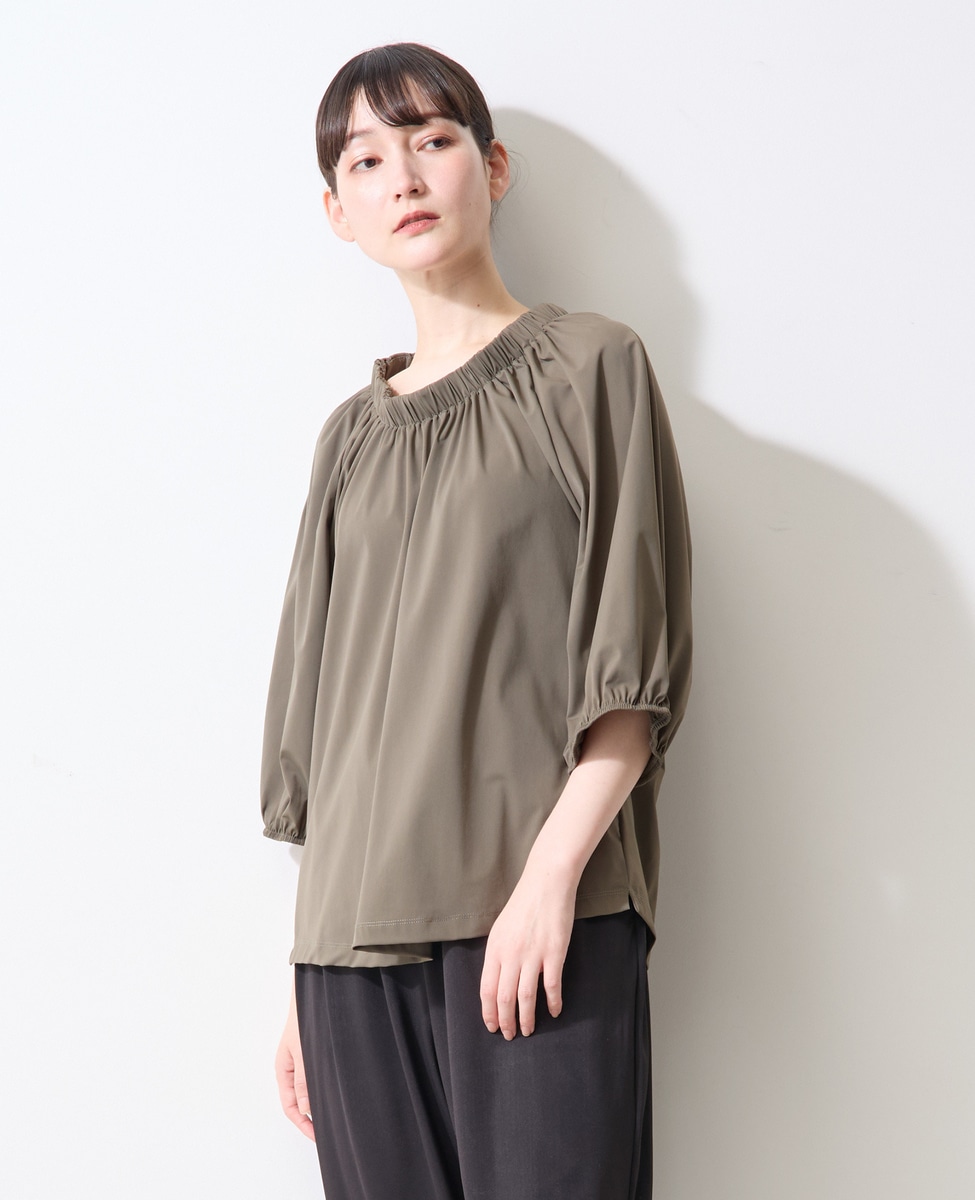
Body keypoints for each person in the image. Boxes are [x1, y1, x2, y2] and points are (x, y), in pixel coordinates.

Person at [260, 41, 693, 1200]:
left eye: (433, 140)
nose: (403, 176)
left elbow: (631, 677)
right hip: (348, 953)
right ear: (337, 210)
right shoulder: (348, 440)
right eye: (366, 159)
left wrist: (550, 884)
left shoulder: (592, 368)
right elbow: (323, 729)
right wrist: (305, 971)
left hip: (536, 918)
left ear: (491, 169)